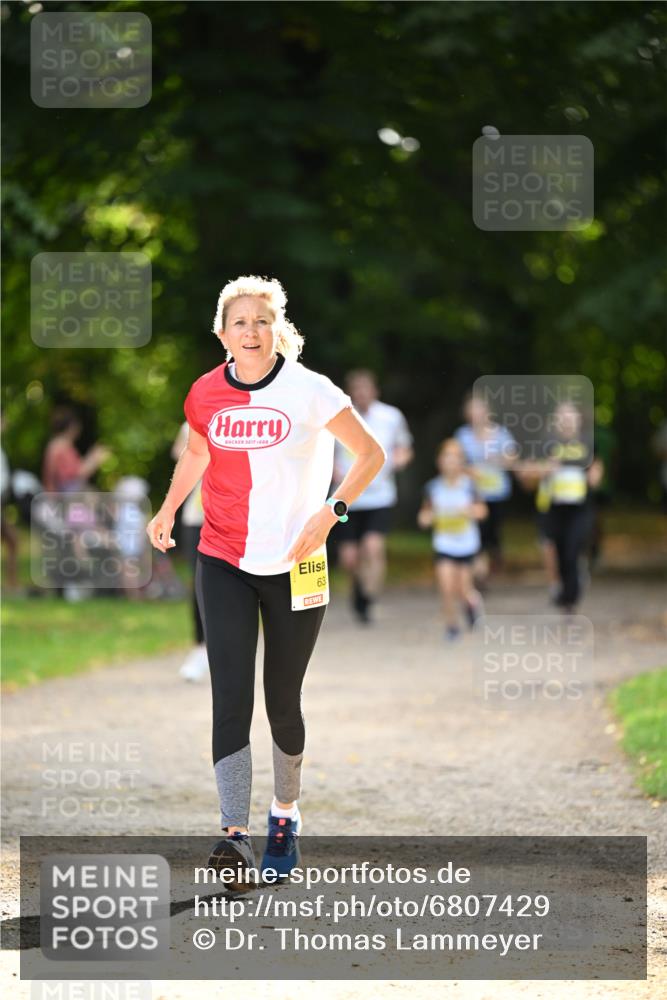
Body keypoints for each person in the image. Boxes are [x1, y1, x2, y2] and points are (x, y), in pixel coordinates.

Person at [146, 275, 385, 884]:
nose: (251, 332)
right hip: (222, 556)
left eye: (261, 320)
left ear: (279, 328)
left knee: (282, 700)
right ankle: (233, 834)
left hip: (297, 564)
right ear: (222, 333)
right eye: (239, 322)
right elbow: (197, 454)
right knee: (230, 698)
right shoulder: (204, 393)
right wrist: (170, 507)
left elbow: (370, 455)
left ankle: (285, 815)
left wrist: (331, 513)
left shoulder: (311, 390)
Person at [332, 369, 413, 623]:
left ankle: (369, 597)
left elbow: (404, 447)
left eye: (365, 389)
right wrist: (334, 473)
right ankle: (359, 589)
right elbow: (328, 455)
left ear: (374, 391)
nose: (361, 394)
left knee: (373, 547)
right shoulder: (339, 416)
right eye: (356, 390)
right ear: (350, 392)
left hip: (380, 497)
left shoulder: (391, 417)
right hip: (347, 497)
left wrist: (398, 460)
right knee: (349, 557)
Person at [529, 401, 604, 614]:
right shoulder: (546, 444)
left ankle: (571, 595)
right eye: (562, 418)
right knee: (560, 551)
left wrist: (595, 476)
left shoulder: (587, 443)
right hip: (554, 506)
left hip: (580, 507)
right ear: (556, 421)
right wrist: (544, 469)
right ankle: (566, 596)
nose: (567, 422)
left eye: (570, 417)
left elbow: (597, 466)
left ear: (578, 421)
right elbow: (531, 471)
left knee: (573, 548)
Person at [417, 439, 487, 641]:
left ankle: (472, 603)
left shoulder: (469, 486)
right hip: (444, 543)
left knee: (463, 588)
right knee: (446, 586)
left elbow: (482, 511)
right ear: (440, 462)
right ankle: (451, 626)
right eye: (446, 458)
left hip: (466, 543)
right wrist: (426, 518)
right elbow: (424, 514)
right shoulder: (433, 488)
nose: (450, 462)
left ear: (461, 462)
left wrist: (470, 511)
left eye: (455, 458)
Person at [454, 393, 517, 586]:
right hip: (473, 493)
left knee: (492, 533)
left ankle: (495, 556)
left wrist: (497, 459)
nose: (475, 413)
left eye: (479, 408)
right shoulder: (462, 435)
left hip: (497, 492)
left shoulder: (501, 434)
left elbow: (512, 458)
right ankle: (480, 575)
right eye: (471, 409)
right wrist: (469, 470)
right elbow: (455, 462)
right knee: (477, 533)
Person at [171, 422, 208, 681]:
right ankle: (200, 647)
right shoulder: (194, 421)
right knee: (198, 582)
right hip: (198, 515)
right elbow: (179, 455)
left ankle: (229, 649)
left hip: (238, 515)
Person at [41, 406, 110, 493]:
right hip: (67, 494)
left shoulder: (55, 444)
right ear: (71, 426)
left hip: (60, 493)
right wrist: (95, 459)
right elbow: (77, 474)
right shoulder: (62, 445)